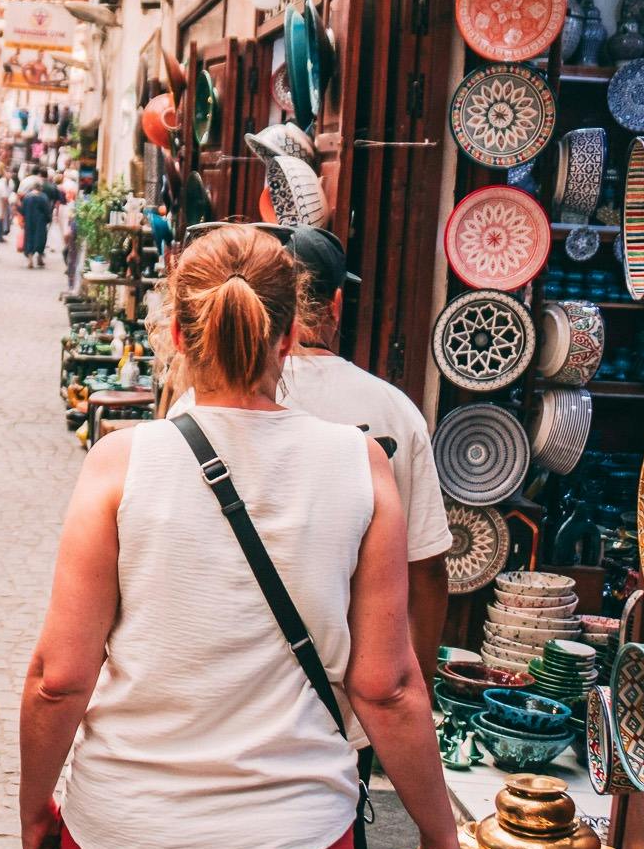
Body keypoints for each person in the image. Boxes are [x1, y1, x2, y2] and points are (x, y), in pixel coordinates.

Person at [17, 226, 463, 849]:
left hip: (128, 831)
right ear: (294, 334)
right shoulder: (360, 463)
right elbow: (387, 685)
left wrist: (34, 803)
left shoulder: (120, 462)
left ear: (177, 333)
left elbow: (59, 676)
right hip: (283, 844)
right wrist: (440, 834)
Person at [174, 226, 453, 701]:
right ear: (337, 304)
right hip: (353, 702)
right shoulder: (396, 410)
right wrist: (415, 691)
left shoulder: (192, 412)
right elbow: (426, 570)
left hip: (224, 685)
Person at [18, 175, 59, 270]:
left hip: (29, 221)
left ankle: (30, 259)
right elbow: (47, 210)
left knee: (29, 239)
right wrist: (49, 219)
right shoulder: (43, 197)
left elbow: (22, 210)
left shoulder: (27, 197)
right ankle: (40, 258)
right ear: (40, 188)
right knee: (40, 239)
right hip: (40, 222)